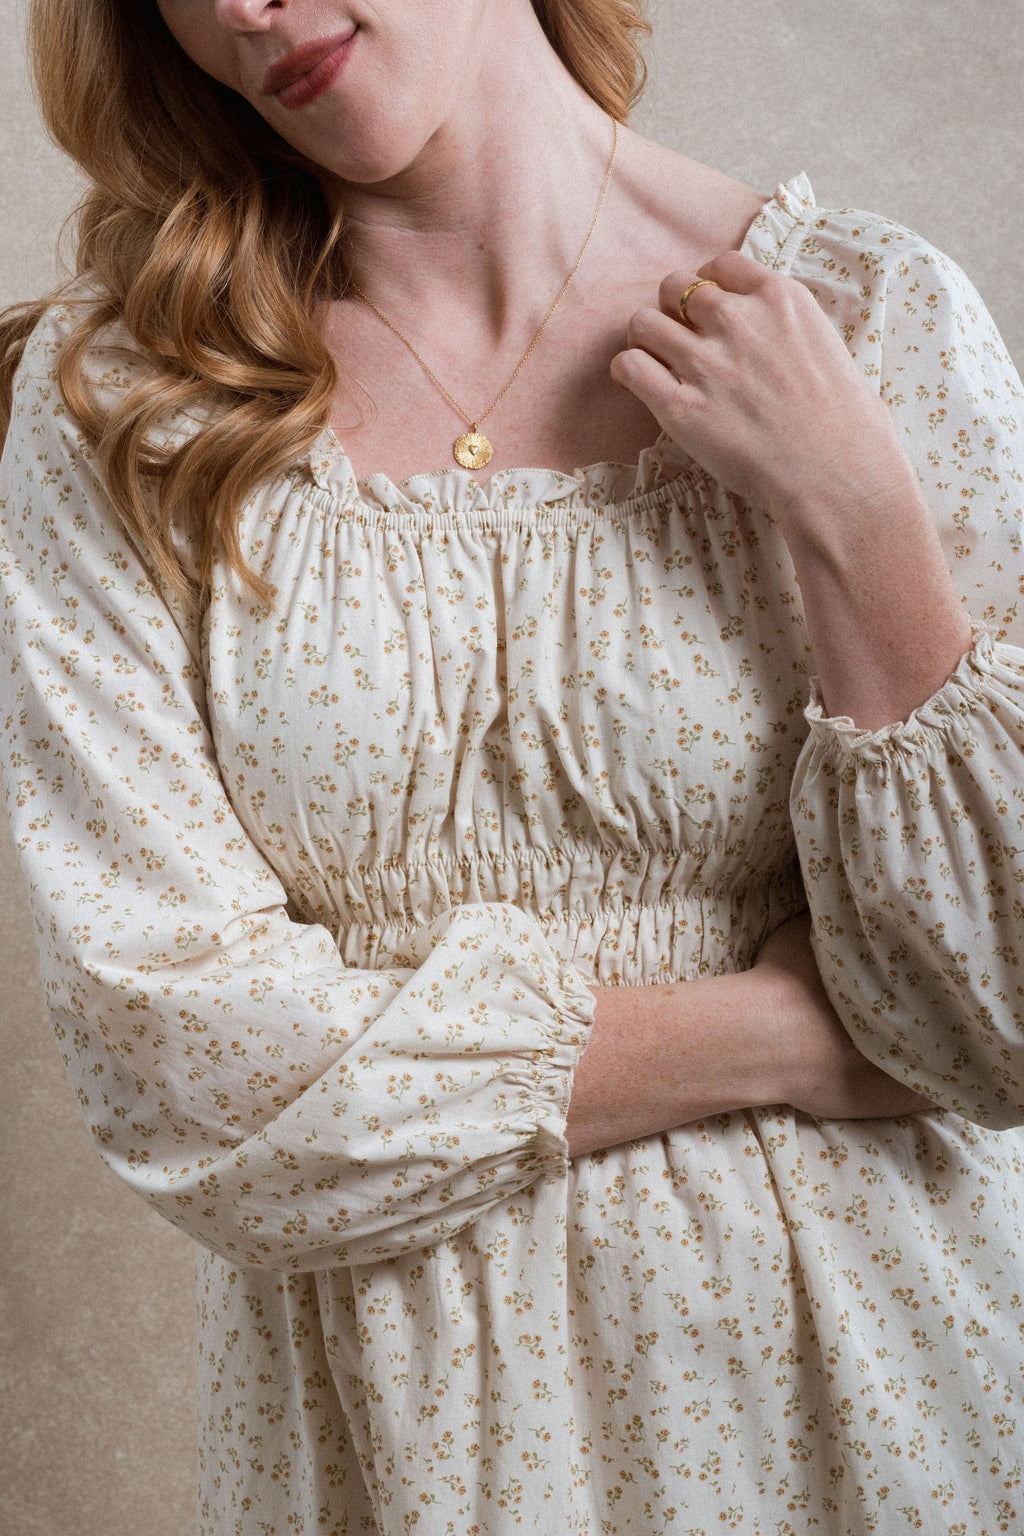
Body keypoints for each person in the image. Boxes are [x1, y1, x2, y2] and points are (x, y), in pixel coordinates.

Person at [2, 0, 1022, 1531]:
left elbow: (999, 1016)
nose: (239, 8)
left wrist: (856, 514)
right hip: (408, 1441)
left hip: (885, 1404)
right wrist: (787, 1037)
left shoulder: (870, 320)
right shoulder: (125, 404)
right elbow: (183, 1067)